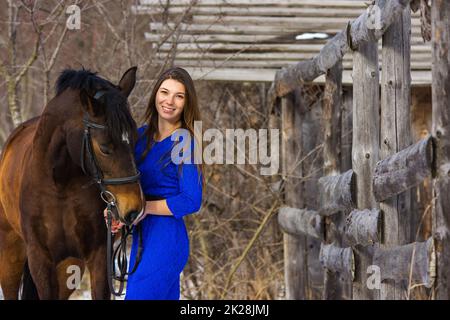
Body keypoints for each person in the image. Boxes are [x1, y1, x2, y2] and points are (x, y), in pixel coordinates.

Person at [111, 67, 203, 300]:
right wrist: (118, 212)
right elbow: (128, 184)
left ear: (186, 103)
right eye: (164, 92)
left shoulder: (183, 143)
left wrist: (145, 208)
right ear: (155, 95)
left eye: (178, 96)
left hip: (167, 239)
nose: (169, 101)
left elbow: (191, 200)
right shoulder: (139, 137)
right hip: (142, 238)